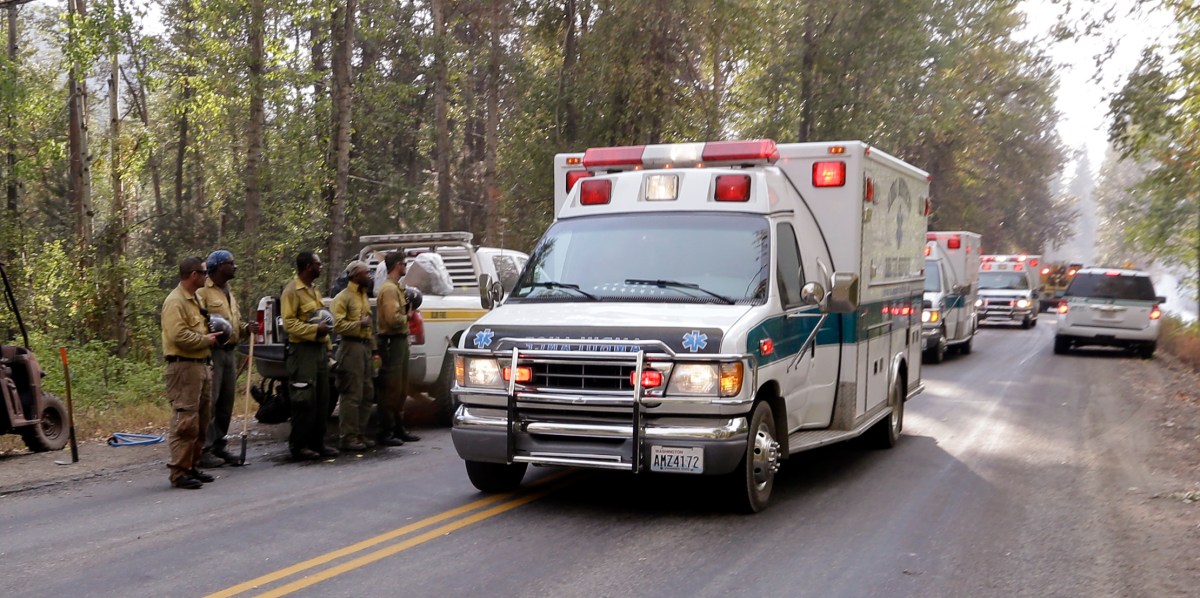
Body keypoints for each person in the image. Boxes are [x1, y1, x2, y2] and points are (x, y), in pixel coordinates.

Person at [161, 256, 221, 489]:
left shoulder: (194, 299)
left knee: (202, 418)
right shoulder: (175, 302)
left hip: (201, 365)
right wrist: (204, 340)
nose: (207, 277)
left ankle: (192, 464)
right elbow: (178, 336)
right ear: (193, 275)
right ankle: (179, 472)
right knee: (186, 420)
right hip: (183, 366)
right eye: (204, 273)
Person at [279, 251, 338, 461]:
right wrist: (314, 331)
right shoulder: (292, 291)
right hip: (302, 352)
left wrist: (328, 346)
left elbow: (324, 320)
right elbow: (289, 323)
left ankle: (318, 443)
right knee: (304, 399)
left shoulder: (314, 291)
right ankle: (299, 445)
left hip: (320, 350)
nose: (321, 267)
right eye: (317, 264)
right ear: (307, 267)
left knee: (323, 398)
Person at [196, 250, 247, 467]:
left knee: (227, 401)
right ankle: (204, 449)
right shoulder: (203, 291)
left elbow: (235, 323)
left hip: (230, 352)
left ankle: (219, 445)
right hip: (213, 352)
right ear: (218, 266)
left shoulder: (228, 291)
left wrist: (246, 328)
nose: (234, 267)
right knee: (211, 402)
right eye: (230, 263)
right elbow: (197, 320)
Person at [375, 251, 419, 445]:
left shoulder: (396, 288)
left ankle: (399, 428)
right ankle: (386, 432)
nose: (406, 267)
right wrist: (407, 317)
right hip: (392, 342)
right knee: (390, 388)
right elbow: (393, 319)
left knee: (401, 388)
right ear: (397, 266)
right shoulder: (389, 290)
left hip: (400, 341)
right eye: (404, 263)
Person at [331, 260, 376, 451]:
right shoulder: (343, 297)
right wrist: (359, 325)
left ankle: (359, 434)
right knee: (352, 394)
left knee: (367, 392)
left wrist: (374, 350)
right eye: (366, 273)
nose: (370, 276)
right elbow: (338, 325)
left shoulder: (363, 296)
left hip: (365, 349)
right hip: (350, 348)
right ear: (356, 275)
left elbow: (370, 324)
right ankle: (347, 437)